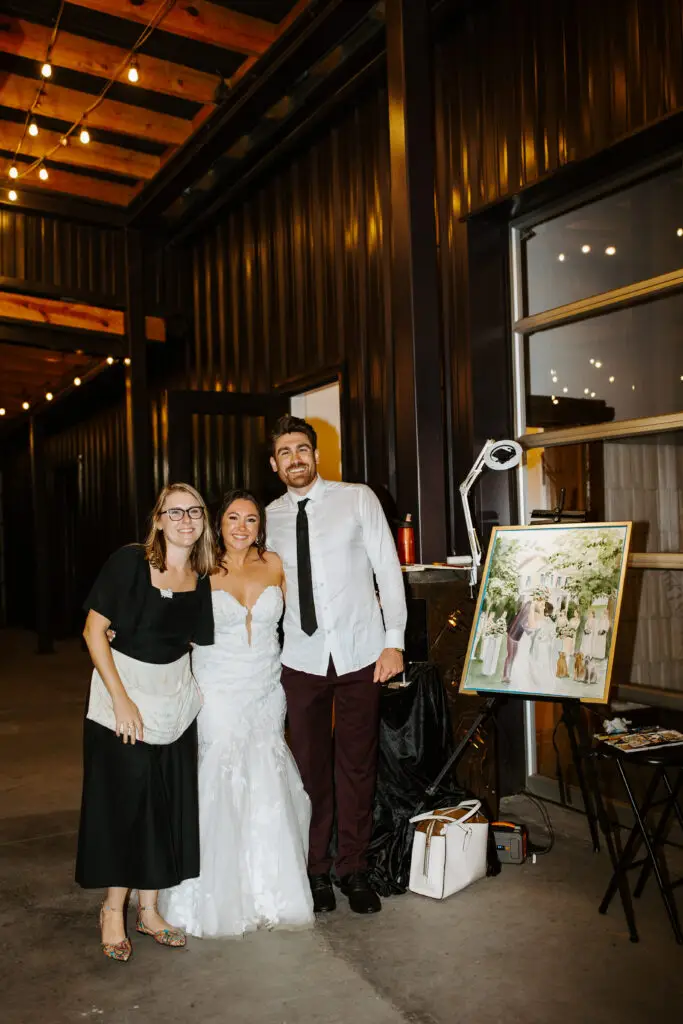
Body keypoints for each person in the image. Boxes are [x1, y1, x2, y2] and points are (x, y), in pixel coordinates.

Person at [266, 415, 407, 915]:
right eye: (286, 452)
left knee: (356, 764)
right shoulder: (267, 518)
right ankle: (316, 870)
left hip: (360, 654)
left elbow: (388, 569)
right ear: (274, 463)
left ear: (316, 455)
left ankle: (353, 867)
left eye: (302, 449)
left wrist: (394, 641)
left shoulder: (357, 498)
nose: (295, 459)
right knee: (308, 770)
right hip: (299, 659)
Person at [159, 489, 313, 937]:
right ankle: (209, 898)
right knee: (219, 780)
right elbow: (174, 629)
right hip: (217, 688)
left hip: (266, 688)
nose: (241, 527)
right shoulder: (200, 569)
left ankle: (270, 890)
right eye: (232, 519)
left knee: (266, 778)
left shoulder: (277, 565)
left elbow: (304, 616)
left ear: (259, 526)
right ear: (217, 524)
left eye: (250, 520)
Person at [76, 483, 215, 962]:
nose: (185, 520)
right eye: (174, 512)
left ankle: (149, 910)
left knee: (164, 805)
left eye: (194, 511)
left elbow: (197, 642)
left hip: (174, 703)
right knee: (126, 808)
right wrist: (121, 700)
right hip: (124, 701)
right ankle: (113, 910)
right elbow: (94, 631)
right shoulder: (129, 562)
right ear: (157, 519)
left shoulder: (201, 574)